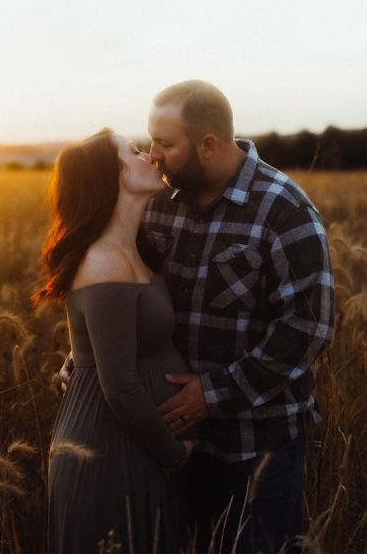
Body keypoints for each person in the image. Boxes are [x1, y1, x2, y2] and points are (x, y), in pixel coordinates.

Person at [141, 80, 335, 553]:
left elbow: (308, 328)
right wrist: (83, 357)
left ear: (208, 145)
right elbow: (125, 295)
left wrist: (210, 394)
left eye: (165, 144)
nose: (152, 156)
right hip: (175, 440)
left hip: (257, 445)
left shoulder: (285, 210)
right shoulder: (157, 205)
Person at [35, 129, 198, 554]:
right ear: (117, 175)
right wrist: (174, 455)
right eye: (136, 151)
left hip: (133, 446)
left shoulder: (131, 249)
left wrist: (77, 355)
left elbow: (110, 335)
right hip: (111, 451)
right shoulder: (105, 260)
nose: (151, 157)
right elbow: (120, 386)